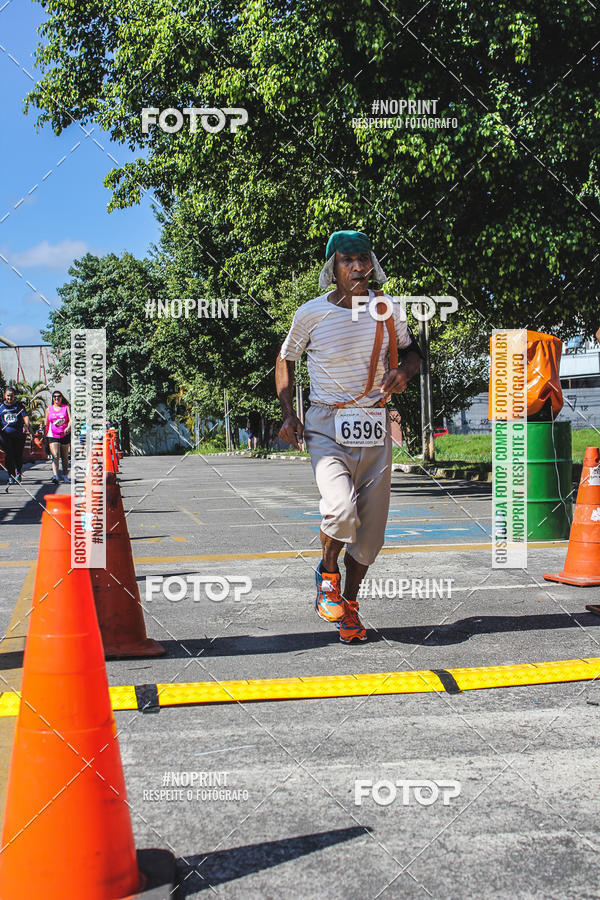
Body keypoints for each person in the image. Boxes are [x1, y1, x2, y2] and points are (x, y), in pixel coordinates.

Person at [275, 230, 423, 643]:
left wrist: (403, 373)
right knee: (340, 510)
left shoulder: (387, 309)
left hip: (376, 425)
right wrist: (289, 414)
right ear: (332, 268)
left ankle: (350, 605)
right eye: (347, 261)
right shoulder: (311, 314)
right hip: (327, 423)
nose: (358, 267)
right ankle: (326, 572)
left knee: (371, 536)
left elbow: (413, 353)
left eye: (364, 259)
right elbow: (285, 358)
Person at [0, 386, 31, 489]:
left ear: (14, 396)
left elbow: (25, 417)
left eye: (12, 396)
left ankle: (18, 470)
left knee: (18, 454)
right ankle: (11, 475)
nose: (10, 398)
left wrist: (26, 425)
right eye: (8, 396)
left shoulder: (19, 406)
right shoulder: (1, 407)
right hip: (5, 436)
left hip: (18, 435)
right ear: (5, 396)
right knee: (9, 455)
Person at [44, 390, 71, 484]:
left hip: (65, 434)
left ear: (61, 397)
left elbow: (71, 420)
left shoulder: (66, 407)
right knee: (55, 455)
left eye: (58, 396)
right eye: (54, 396)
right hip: (53, 435)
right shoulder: (49, 409)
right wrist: (45, 434)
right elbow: (46, 423)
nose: (56, 398)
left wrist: (68, 427)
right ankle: (55, 476)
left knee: (65, 457)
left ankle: (64, 475)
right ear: (53, 398)